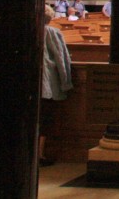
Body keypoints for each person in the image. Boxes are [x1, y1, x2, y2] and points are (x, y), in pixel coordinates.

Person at [40, 12, 73, 166]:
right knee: (45, 121)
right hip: (47, 85)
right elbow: (61, 58)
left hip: (37, 85)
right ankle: (40, 154)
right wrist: (66, 83)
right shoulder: (51, 32)